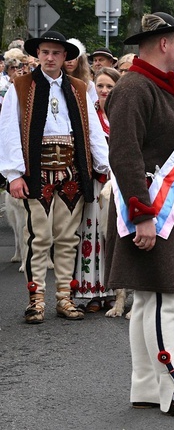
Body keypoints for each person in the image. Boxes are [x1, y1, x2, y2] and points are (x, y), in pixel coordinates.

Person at [105, 12, 174, 420]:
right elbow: (125, 154)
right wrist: (142, 215)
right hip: (154, 213)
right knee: (161, 301)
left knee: (148, 300)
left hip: (166, 211)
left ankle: (147, 387)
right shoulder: (136, 88)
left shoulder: (160, 87)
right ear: (164, 43)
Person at [0, 31, 109, 324]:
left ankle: (64, 297)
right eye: (45, 52)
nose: (50, 58)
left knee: (66, 237)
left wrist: (104, 165)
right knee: (39, 236)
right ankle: (36, 301)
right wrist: (13, 174)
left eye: (56, 53)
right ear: (38, 55)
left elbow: (92, 130)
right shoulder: (20, 87)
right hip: (36, 172)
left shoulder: (78, 88)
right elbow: (9, 131)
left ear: (65, 57)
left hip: (72, 170)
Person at [73, 67, 120, 312]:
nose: (104, 91)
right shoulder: (88, 115)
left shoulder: (123, 114)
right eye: (100, 86)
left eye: (109, 86)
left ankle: (114, 292)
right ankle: (93, 293)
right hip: (95, 183)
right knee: (92, 235)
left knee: (112, 236)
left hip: (119, 184)